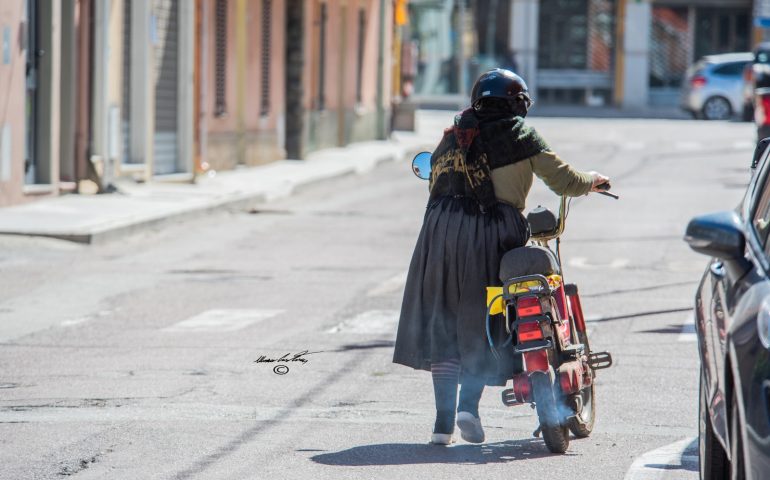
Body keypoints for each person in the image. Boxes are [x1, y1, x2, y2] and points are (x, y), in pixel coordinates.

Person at [392, 69, 610, 445]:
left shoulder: (453, 135)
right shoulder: (520, 135)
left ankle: (442, 426)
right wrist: (592, 179)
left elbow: (435, 183)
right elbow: (565, 182)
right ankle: (468, 408)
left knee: (444, 320)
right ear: (518, 105)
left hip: (438, 232)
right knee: (482, 317)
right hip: (491, 231)